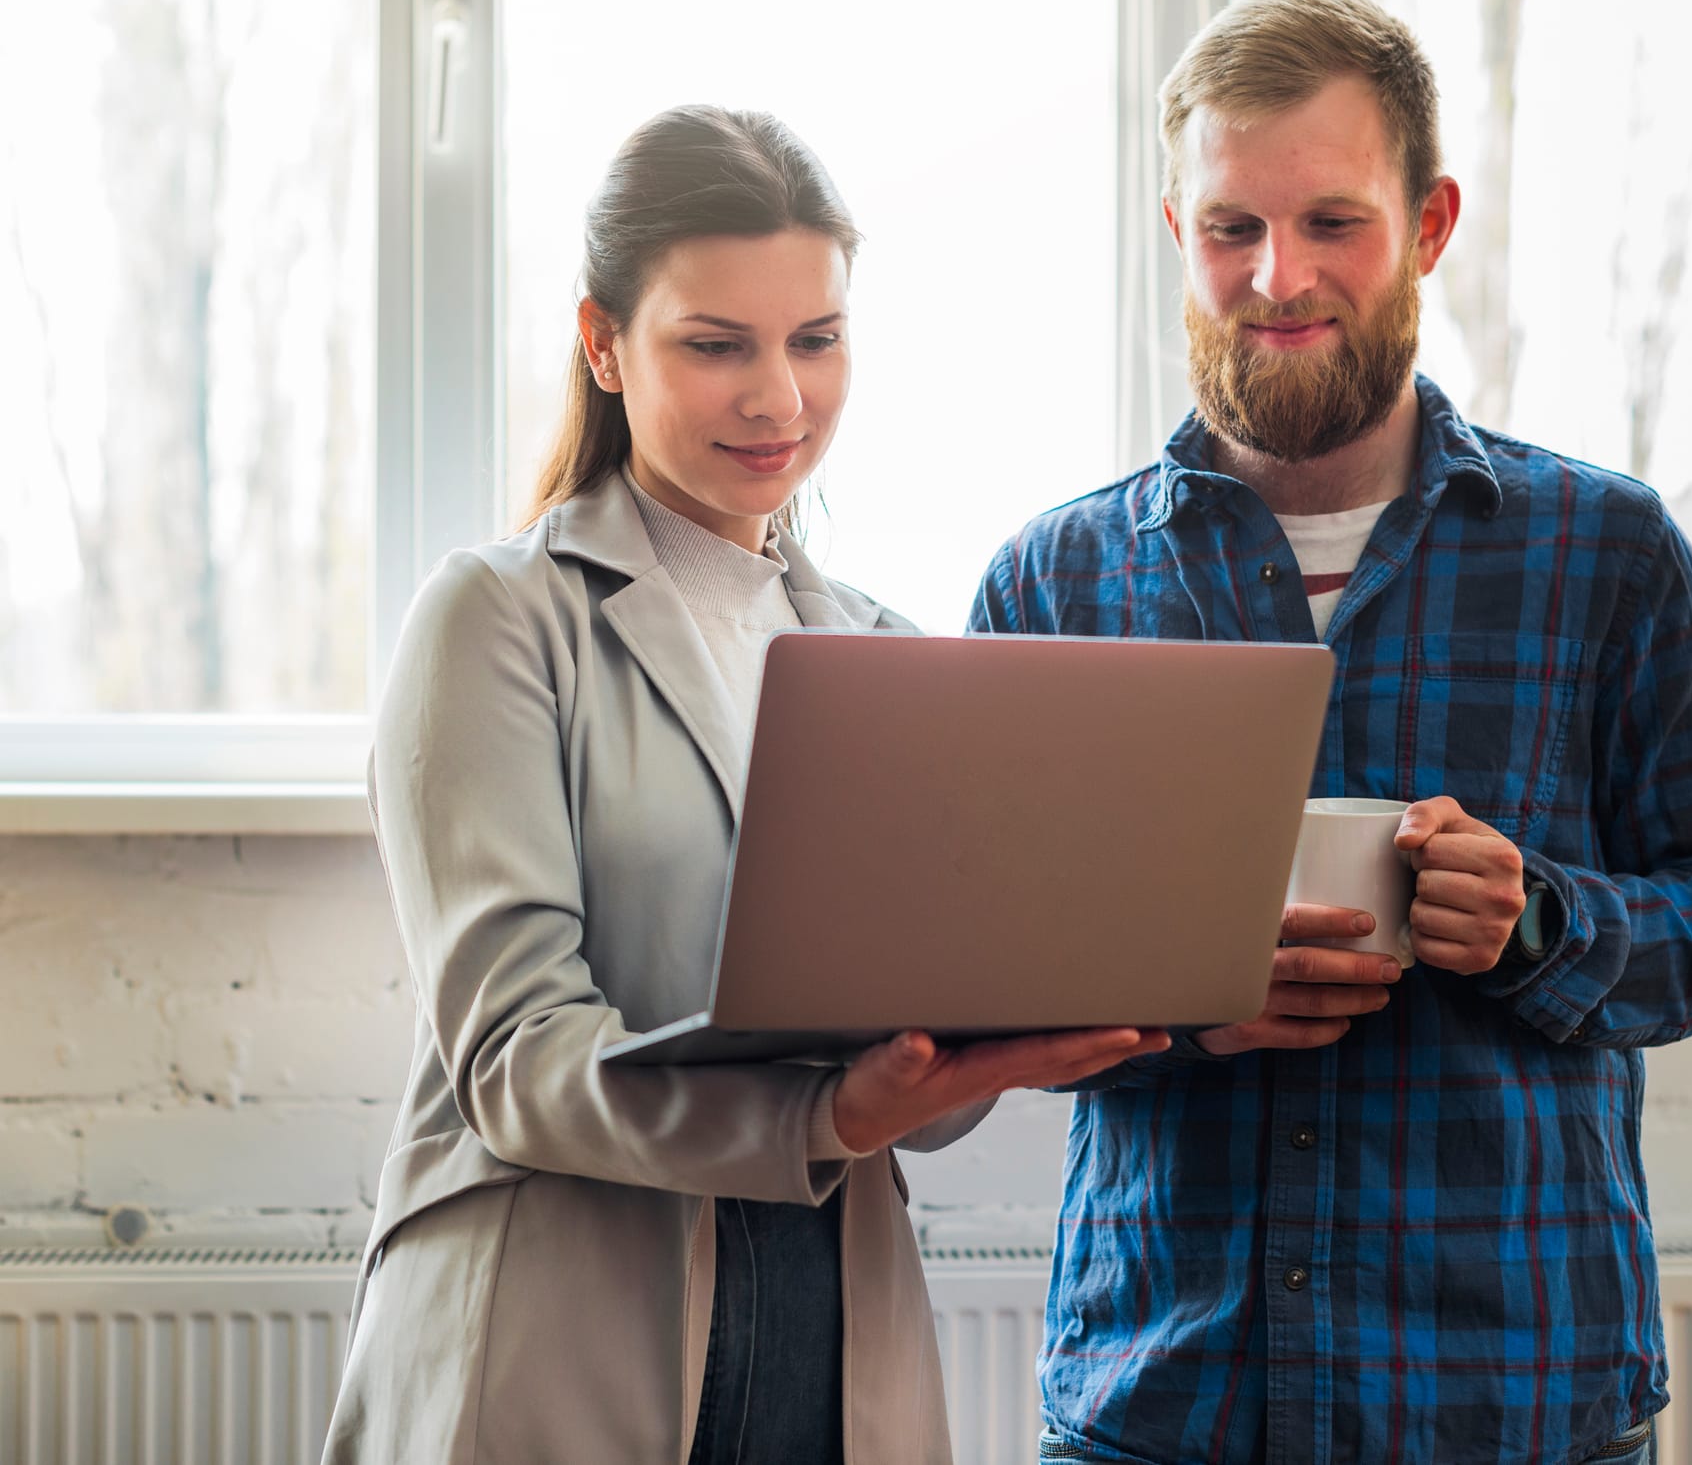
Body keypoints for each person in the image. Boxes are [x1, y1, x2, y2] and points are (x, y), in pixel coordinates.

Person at [972, 0, 1692, 1465]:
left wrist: (1541, 924)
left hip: (1512, 1400)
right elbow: (971, 981)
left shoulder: (1604, 555)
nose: (1276, 276)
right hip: (1164, 1405)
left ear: (1427, 226)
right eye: (1231, 227)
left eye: (1332, 224)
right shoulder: (1058, 580)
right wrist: (1184, 1010)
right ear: (1176, 231)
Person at [322, 105, 1165, 1465]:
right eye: (716, 346)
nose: (778, 398)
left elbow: (914, 1083)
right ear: (602, 343)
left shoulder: (886, 655)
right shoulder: (496, 620)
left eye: (815, 339)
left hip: (835, 1336)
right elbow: (515, 1060)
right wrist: (824, 1114)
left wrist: (995, 1043)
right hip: (566, 1336)